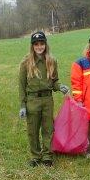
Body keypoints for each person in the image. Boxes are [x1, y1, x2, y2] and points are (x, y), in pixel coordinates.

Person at [19, 31, 69, 167]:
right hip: (32, 101)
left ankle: (47, 155)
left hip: (47, 100)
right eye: (36, 44)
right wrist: (23, 105)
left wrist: (60, 86)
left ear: (45, 45)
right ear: (32, 46)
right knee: (33, 129)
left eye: (42, 44)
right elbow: (22, 86)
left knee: (48, 128)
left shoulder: (51, 61)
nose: (39, 47)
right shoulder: (25, 63)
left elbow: (54, 81)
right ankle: (35, 156)